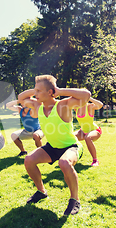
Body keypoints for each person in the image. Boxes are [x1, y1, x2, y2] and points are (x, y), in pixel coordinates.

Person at [18, 75, 90, 215]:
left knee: (64, 163)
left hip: (71, 146)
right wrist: (36, 89)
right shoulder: (37, 106)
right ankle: (41, 191)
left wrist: (60, 90)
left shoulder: (62, 105)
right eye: (35, 91)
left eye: (39, 91)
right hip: (52, 146)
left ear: (50, 92)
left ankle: (74, 200)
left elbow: (86, 96)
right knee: (29, 160)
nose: (35, 94)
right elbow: (21, 98)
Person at [74, 97, 103, 166]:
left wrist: (89, 98)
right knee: (70, 137)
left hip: (95, 130)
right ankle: (74, 156)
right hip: (83, 131)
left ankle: (95, 160)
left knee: (88, 138)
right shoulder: (76, 108)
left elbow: (100, 105)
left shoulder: (90, 107)